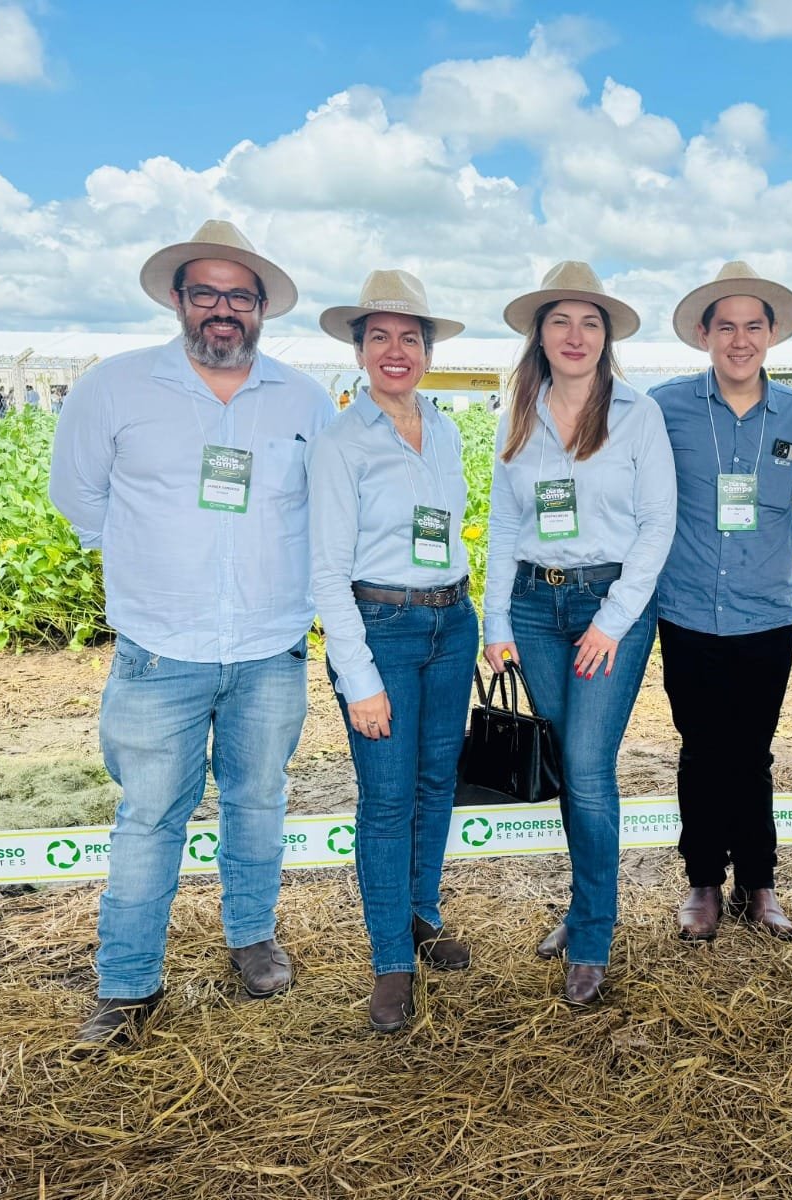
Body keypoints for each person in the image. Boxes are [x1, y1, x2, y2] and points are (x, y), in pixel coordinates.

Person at [49, 220, 333, 1051]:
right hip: (158, 648)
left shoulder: (302, 400)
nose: (221, 310)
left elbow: (323, 511)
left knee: (258, 802)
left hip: (268, 647)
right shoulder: (115, 388)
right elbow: (80, 500)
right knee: (148, 817)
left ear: (260, 309)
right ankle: (127, 982)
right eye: (204, 293)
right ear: (179, 300)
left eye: (237, 297)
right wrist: (157, 564)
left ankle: (251, 936)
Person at [481, 261, 676, 1006]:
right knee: (567, 760)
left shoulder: (636, 413)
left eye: (589, 322)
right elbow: (504, 523)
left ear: (607, 336)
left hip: (609, 604)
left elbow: (659, 523)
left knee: (589, 767)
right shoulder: (519, 413)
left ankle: (593, 933)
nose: (575, 334)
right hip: (534, 605)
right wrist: (496, 618)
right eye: (560, 320)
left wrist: (614, 619)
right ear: (540, 334)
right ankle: (581, 906)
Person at [650, 262, 792, 943]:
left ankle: (760, 885)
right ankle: (704, 883)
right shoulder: (665, 407)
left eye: (752, 326)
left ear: (772, 334)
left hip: (766, 615)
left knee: (753, 753)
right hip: (688, 610)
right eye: (725, 326)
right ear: (704, 334)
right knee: (700, 750)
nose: (739, 340)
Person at [308, 270, 476, 1034]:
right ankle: (389, 962)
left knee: (436, 782)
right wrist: (357, 674)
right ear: (359, 349)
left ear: (429, 349)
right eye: (380, 337)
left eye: (410, 337)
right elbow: (326, 570)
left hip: (451, 624)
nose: (396, 350)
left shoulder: (442, 428)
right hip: (381, 628)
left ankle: (420, 915)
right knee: (385, 799)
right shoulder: (343, 441)